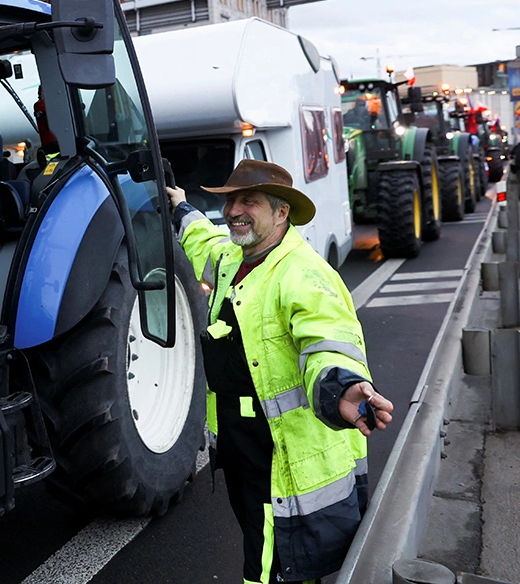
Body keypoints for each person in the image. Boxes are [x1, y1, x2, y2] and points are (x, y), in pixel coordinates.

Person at [165, 159, 393, 584]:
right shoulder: (235, 260)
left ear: (281, 212)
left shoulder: (303, 275)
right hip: (244, 457)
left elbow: (327, 342)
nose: (233, 210)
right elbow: (205, 243)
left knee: (270, 571)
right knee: (277, 560)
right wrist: (181, 208)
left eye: (248, 201)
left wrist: (340, 388)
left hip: (281, 462)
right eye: (231, 200)